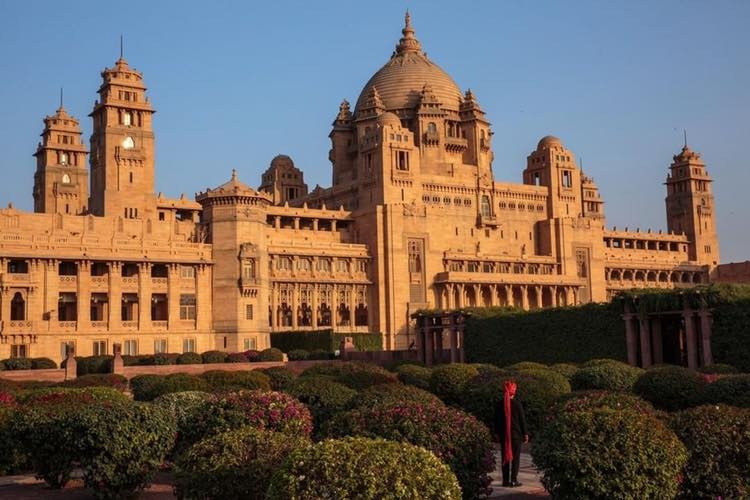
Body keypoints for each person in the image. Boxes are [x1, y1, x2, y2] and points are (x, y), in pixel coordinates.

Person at [493, 380, 528, 487]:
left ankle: (505, 481)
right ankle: (513, 480)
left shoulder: (499, 404)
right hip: (516, 435)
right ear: (514, 391)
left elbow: (496, 421)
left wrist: (497, 433)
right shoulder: (517, 404)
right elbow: (522, 420)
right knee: (515, 458)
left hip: (504, 436)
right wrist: (525, 433)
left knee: (505, 457)